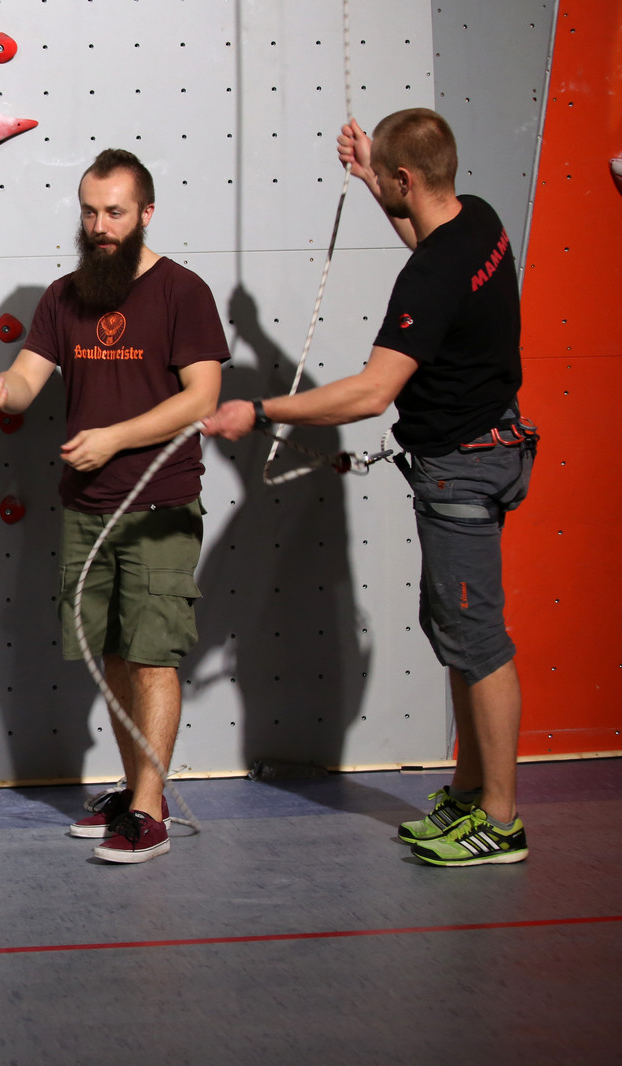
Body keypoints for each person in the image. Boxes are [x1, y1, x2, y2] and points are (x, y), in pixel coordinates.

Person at [204, 109, 533, 867]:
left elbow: (373, 392)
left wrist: (260, 410)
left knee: (478, 642)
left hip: (462, 467)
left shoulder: (433, 271)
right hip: (488, 449)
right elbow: (430, 252)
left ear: (405, 179)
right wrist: (367, 178)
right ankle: (470, 793)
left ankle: (502, 820)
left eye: (383, 176)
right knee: (458, 635)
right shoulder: (476, 221)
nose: (378, 184)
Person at [0, 149, 227, 864]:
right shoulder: (65, 296)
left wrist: (115, 438)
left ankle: (148, 811)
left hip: (159, 505)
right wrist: (0, 391)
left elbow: (202, 397)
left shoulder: (183, 291)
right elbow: (27, 381)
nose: (100, 226)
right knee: (111, 652)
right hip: (87, 507)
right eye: (90, 212)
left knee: (152, 656)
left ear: (146, 213)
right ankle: (138, 789)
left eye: (115, 212)